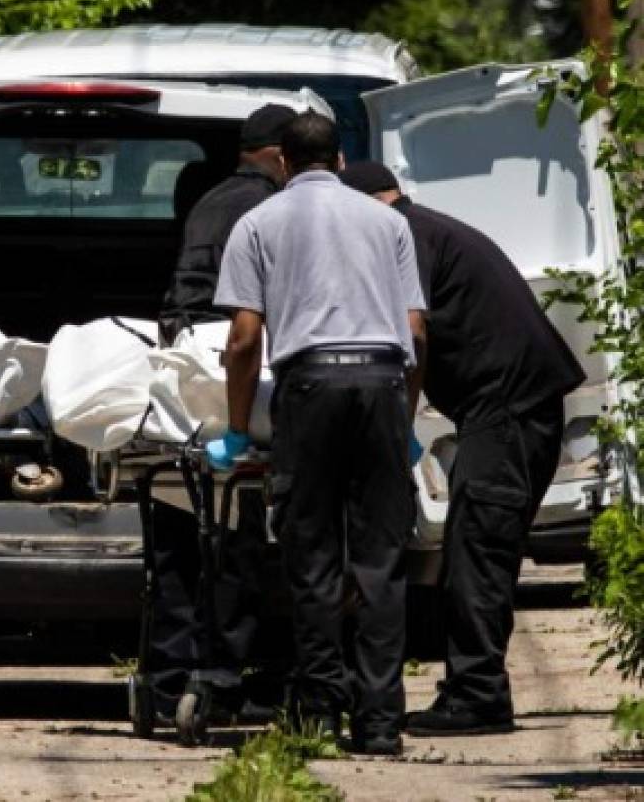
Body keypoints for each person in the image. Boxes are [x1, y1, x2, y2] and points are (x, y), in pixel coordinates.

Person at [339, 161, 585, 737]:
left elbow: (413, 329)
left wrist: (399, 416)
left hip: (507, 412)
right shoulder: (429, 227)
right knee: (472, 545)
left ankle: (478, 696)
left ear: (373, 205)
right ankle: (470, 686)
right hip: (514, 408)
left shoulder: (408, 235)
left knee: (478, 550)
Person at [208, 112, 427, 755]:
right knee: (381, 562)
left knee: (314, 560)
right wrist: (403, 422)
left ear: (280, 162)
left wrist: (238, 426)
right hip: (383, 383)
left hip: (309, 389)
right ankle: (382, 723)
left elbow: (245, 339)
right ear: (338, 158)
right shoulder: (389, 223)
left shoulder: (258, 223)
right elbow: (415, 331)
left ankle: (321, 714)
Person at [145, 104, 298, 724]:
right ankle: (230, 676)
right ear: (283, 158)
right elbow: (251, 324)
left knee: (179, 536)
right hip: (231, 376)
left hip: (185, 374)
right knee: (238, 541)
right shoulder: (269, 213)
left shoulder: (211, 201)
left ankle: (167, 677)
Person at [158, 104, 297, 345]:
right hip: (229, 340)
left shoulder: (209, 200)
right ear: (281, 157)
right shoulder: (270, 207)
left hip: (184, 334)